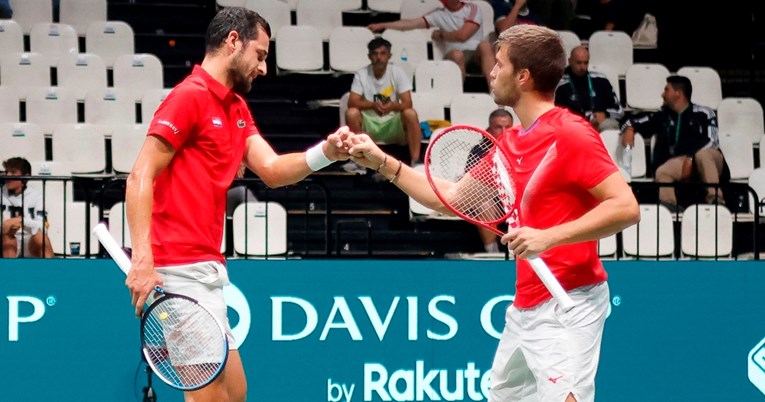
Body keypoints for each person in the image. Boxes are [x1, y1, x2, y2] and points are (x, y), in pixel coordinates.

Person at [347, 24, 639, 402]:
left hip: (570, 301)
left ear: (523, 76)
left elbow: (626, 207)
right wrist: (384, 162)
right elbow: (447, 197)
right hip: (526, 305)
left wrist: (548, 236)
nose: (491, 71)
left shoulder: (570, 133)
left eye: (499, 64)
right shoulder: (508, 143)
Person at [123, 8, 351, 402]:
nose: (263, 67)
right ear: (233, 41)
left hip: (208, 272)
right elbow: (139, 175)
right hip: (176, 271)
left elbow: (274, 170)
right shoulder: (188, 98)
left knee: (235, 394)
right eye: (260, 55)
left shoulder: (236, 109)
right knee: (208, 398)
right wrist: (143, 259)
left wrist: (326, 152)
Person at [620, 75, 726, 208]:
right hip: (682, 162)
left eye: (666, 90)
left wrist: (691, 157)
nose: (662, 94)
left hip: (709, 159)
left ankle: (715, 199)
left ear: (678, 93)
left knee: (703, 155)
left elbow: (713, 141)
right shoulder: (663, 115)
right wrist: (629, 129)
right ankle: (669, 207)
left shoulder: (705, 113)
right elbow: (629, 121)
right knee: (662, 171)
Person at [367, 0, 495, 87]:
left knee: (485, 46)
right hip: (454, 55)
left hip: (475, 55)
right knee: (457, 54)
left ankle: (494, 90)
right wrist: (381, 25)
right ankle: (459, 93)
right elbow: (410, 24)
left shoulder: (472, 9)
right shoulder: (438, 14)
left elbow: (463, 35)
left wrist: (442, 35)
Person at [345, 37, 422, 165]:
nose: (379, 57)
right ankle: (359, 160)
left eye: (382, 53)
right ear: (369, 56)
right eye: (375, 54)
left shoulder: (397, 72)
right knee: (351, 113)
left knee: (410, 113)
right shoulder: (361, 74)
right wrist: (372, 105)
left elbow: (408, 103)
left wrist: (392, 106)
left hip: (393, 123)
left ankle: (416, 160)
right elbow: (351, 102)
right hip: (370, 124)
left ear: (389, 55)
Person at [469, 108, 514, 252]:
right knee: (484, 203)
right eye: (498, 127)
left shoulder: (521, 148)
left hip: (515, 198)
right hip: (490, 199)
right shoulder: (479, 151)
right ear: (488, 130)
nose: (503, 131)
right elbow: (473, 185)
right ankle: (493, 253)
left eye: (507, 127)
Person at [555, 45, 624, 132]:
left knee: (609, 125)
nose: (582, 67)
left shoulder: (601, 80)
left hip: (601, 124)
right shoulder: (561, 85)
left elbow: (620, 111)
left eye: (585, 63)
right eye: (579, 63)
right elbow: (557, 116)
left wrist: (605, 114)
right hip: (574, 127)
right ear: (570, 61)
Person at [1, 157, 54, 258]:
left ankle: (50, 272)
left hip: (29, 241)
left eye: (13, 172)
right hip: (6, 242)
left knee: (41, 238)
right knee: (7, 238)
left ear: (25, 177)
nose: (8, 176)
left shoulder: (37, 196)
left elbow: (44, 227)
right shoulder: (0, 193)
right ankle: (9, 273)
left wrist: (22, 221)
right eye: (6, 172)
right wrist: (4, 227)